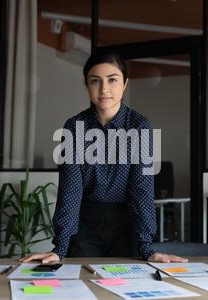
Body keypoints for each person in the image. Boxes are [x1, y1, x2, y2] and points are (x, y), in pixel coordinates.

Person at [20, 52, 188, 264]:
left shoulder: (139, 126)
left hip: (126, 227)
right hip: (84, 226)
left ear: (125, 83)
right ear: (86, 85)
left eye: (112, 80)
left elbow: (142, 189)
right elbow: (70, 191)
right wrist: (60, 247)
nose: (104, 89)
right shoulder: (74, 127)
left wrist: (147, 247)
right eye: (95, 81)